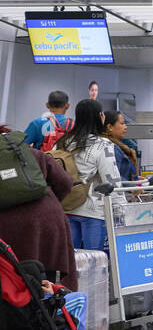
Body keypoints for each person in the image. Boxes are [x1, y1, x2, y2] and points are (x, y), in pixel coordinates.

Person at [0, 125, 76, 289]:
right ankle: (46, 309)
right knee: (45, 280)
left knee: (12, 280)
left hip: (7, 230)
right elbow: (65, 183)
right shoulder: (32, 154)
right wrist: (50, 201)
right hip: (48, 221)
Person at [52, 99, 120, 253]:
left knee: (72, 261)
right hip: (93, 210)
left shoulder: (62, 142)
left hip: (66, 206)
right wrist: (121, 209)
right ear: (99, 116)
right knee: (95, 261)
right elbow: (111, 180)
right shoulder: (103, 144)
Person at [103, 110, 140, 180]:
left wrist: (134, 179)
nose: (125, 127)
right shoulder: (111, 148)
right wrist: (132, 187)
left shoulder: (118, 146)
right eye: (122, 123)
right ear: (110, 127)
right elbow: (115, 177)